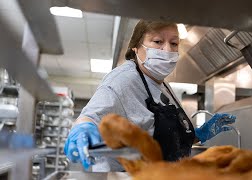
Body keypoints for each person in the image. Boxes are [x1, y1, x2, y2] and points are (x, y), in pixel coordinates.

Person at [64, 20, 236, 171]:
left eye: (174, 43)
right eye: (158, 41)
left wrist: (199, 134)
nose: (167, 50)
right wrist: (82, 130)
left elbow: (168, 139)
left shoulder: (162, 84)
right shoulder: (124, 79)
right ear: (136, 47)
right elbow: (90, 116)